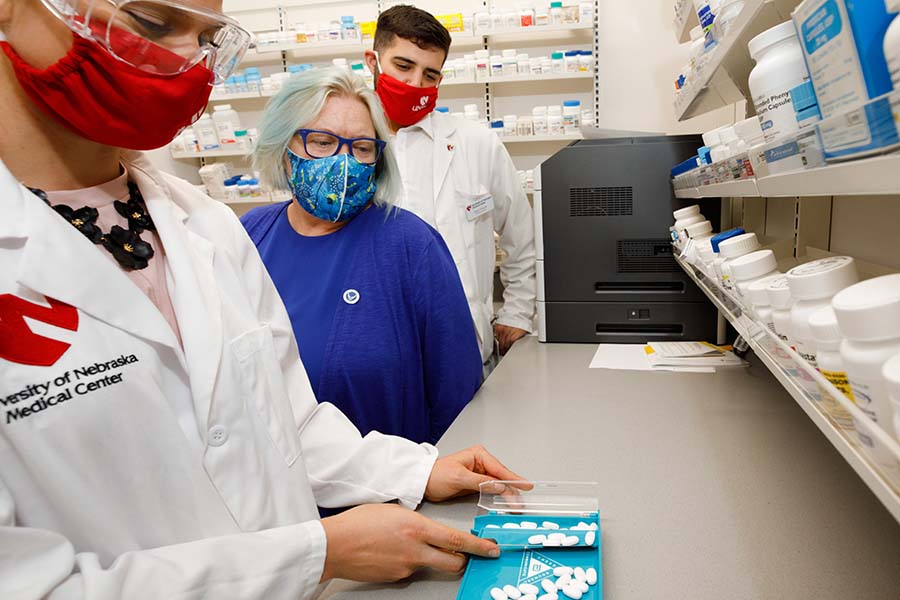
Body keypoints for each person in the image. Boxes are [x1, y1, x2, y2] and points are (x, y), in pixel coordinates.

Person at [0, 1, 527, 598]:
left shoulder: (205, 226)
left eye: (207, 39)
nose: (185, 63)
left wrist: (418, 470)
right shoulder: (251, 228)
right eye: (150, 23)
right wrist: (319, 553)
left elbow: (285, 418)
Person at [240, 68, 482, 445]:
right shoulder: (250, 236)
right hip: (276, 489)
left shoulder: (411, 245)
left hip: (388, 494)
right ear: (283, 150)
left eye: (362, 148)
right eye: (321, 142)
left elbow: (459, 396)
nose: (344, 161)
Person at [363, 5, 538, 371]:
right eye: (403, 66)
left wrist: (518, 312)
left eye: (430, 74)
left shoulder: (477, 143)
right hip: (380, 340)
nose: (415, 84)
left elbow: (521, 235)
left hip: (467, 341)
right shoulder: (353, 146)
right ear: (372, 61)